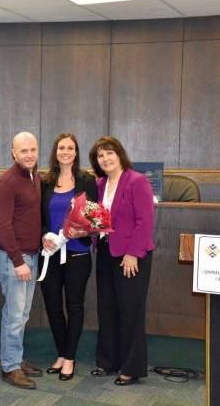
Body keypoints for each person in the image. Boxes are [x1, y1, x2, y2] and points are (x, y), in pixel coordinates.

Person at [88, 136, 155, 386]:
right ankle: (108, 361)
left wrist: (132, 254)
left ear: (119, 154)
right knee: (107, 309)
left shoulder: (137, 181)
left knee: (130, 311)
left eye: (109, 153)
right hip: (106, 252)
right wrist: (83, 212)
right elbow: (99, 222)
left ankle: (131, 367)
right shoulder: (100, 184)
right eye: (100, 156)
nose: (105, 159)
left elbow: (145, 222)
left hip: (131, 255)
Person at [40, 133, 97, 381]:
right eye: (61, 147)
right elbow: (39, 218)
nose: (65, 151)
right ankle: (62, 353)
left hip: (78, 253)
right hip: (50, 253)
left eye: (70, 148)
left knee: (74, 306)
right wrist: (43, 235)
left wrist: (79, 229)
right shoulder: (45, 181)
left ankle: (70, 358)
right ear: (56, 152)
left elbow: (95, 218)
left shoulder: (87, 180)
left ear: (76, 152)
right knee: (53, 307)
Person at [0, 132, 44, 390]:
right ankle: (10, 367)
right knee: (14, 315)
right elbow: (2, 225)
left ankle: (16, 357)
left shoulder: (35, 177)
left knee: (22, 314)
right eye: (23, 151)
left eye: (33, 149)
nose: (29, 154)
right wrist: (17, 261)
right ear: (13, 153)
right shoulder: (7, 182)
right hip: (14, 258)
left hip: (30, 255)